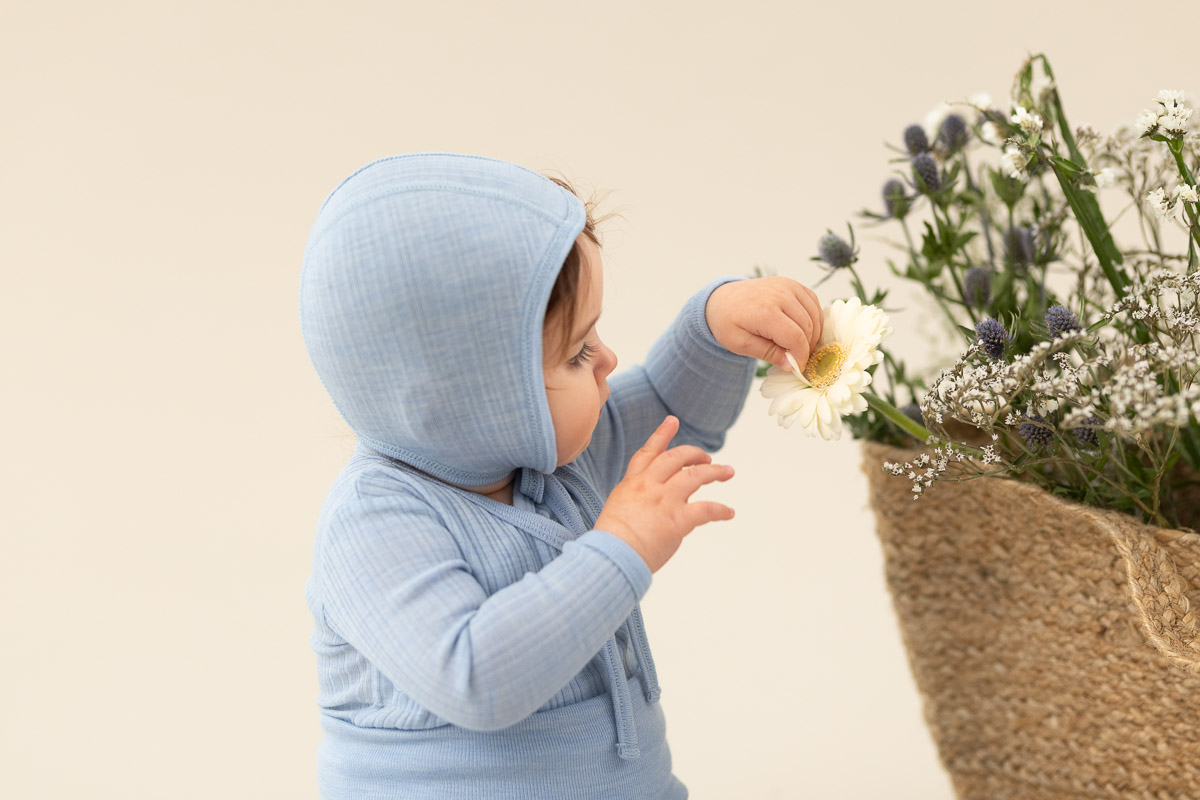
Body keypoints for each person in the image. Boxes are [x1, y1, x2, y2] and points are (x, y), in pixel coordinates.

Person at [298, 152, 823, 799]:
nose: (608, 359)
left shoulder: (547, 461)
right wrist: (621, 546)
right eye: (577, 352)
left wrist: (714, 328)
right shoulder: (372, 523)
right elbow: (475, 677)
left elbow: (668, 412)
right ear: (475, 398)